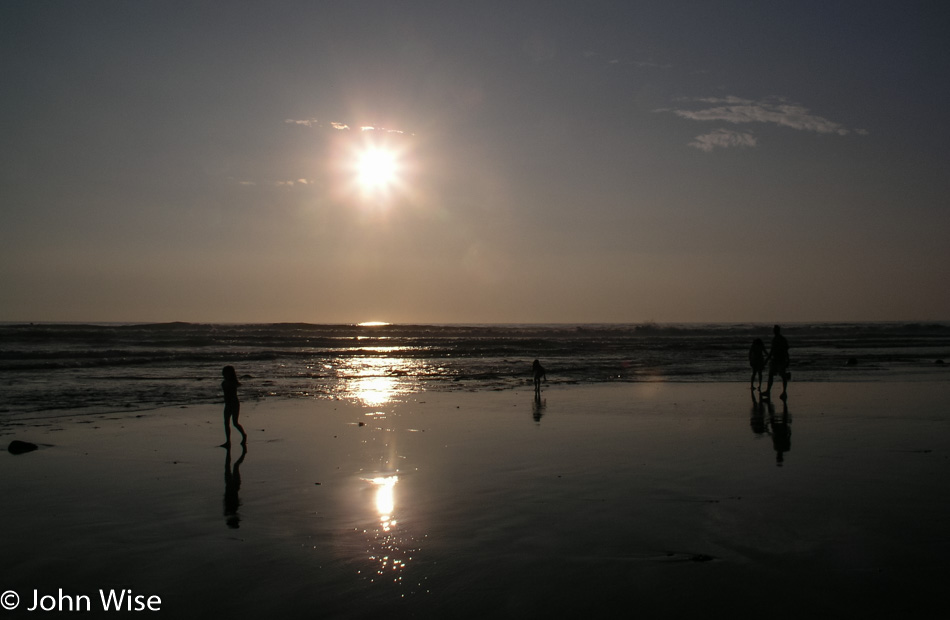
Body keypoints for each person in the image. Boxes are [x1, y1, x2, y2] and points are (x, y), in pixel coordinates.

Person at [221, 365, 247, 448]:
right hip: (227, 404)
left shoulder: (233, 383)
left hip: (234, 404)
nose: (225, 374)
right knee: (226, 423)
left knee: (235, 423)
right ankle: (228, 441)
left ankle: (244, 435)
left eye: (226, 372)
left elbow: (232, 394)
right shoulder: (224, 383)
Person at [764, 325, 790, 400]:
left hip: (780, 360)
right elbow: (784, 350)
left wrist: (787, 359)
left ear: (777, 330)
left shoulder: (779, 339)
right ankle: (769, 391)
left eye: (774, 330)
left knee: (782, 376)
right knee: (772, 375)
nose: (773, 331)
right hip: (776, 360)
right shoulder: (780, 339)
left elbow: (785, 350)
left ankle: (784, 392)